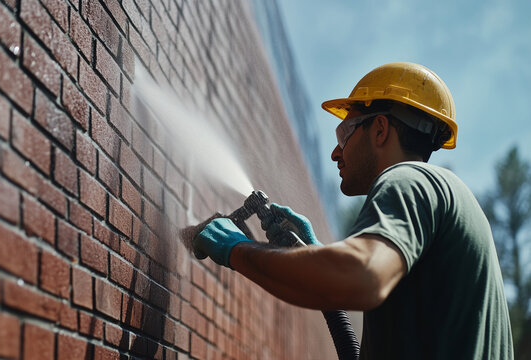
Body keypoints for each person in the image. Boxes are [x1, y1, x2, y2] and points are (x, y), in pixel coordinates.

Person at [192, 63, 514, 359]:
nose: (335, 152)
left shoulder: (408, 179)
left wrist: (237, 249)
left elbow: (364, 277)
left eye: (344, 133)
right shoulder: (441, 197)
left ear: (380, 130)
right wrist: (317, 256)